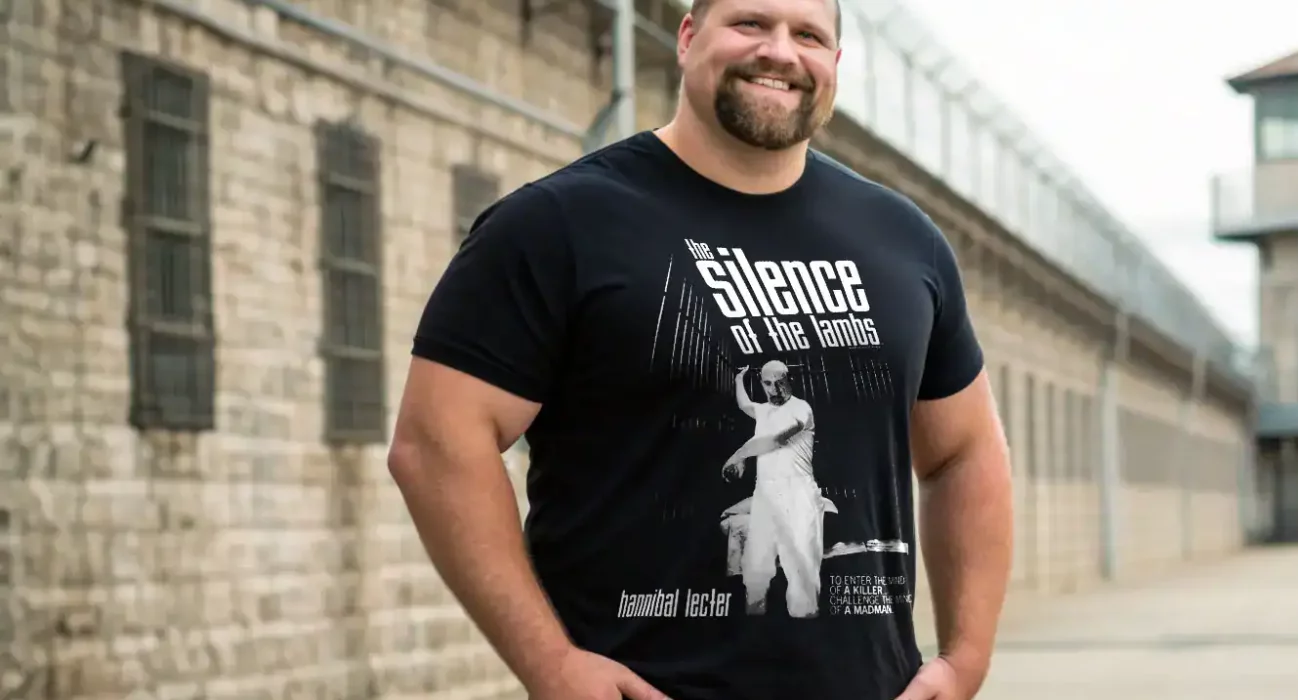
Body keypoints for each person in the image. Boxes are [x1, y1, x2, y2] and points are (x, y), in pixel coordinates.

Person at [384, 0, 1015, 697]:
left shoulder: (903, 243)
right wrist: (551, 663)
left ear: (834, 65)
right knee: (760, 570)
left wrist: (965, 659)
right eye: (750, 23)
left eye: (808, 35)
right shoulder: (557, 224)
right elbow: (436, 443)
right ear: (687, 38)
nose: (780, 52)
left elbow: (964, 451)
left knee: (798, 575)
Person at [723, 361, 822, 618]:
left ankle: (805, 627)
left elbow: (775, 440)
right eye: (768, 383)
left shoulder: (801, 409)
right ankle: (755, 627)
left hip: (796, 495)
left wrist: (739, 454)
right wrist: (739, 379)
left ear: (790, 380)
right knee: (755, 569)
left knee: (800, 570)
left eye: (780, 382)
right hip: (765, 496)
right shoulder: (763, 410)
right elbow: (744, 405)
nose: (774, 389)